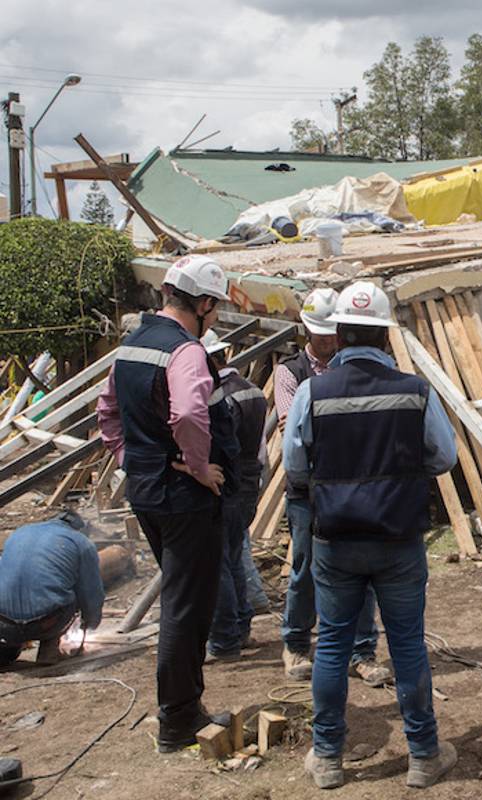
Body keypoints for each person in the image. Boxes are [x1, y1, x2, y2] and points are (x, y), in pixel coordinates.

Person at [283, 281, 458, 790]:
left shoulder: (312, 392)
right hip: (399, 539)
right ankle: (424, 755)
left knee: (333, 645)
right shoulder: (415, 390)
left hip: (335, 540)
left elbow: (295, 465)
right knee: (406, 644)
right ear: (386, 337)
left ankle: (327, 758)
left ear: (337, 334)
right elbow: (443, 457)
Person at [96, 254, 239, 753]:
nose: (215, 317)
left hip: (146, 491)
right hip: (183, 497)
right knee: (186, 605)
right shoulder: (186, 352)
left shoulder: (131, 347)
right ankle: (177, 720)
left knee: (182, 597)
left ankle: (185, 709)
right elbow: (188, 414)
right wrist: (199, 467)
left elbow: (107, 413)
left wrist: (132, 458)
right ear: (201, 303)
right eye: (215, 308)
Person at [275, 288, 388, 686]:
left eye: (331, 334)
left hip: (349, 489)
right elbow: (294, 431)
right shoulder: (291, 373)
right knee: (305, 568)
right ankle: (296, 644)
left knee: (360, 568)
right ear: (307, 330)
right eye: (319, 334)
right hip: (308, 493)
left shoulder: (352, 373)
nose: (326, 341)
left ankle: (362, 652)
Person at [202, 331, 268, 661]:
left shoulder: (220, 397)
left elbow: (219, 446)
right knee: (234, 555)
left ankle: (226, 638)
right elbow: (261, 450)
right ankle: (241, 628)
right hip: (249, 483)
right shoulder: (253, 390)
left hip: (226, 484)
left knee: (219, 563)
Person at [0, 511, 104, 667]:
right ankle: (49, 648)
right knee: (73, 590)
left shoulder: (19, 533)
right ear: (78, 528)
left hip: (4, 623)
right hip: (47, 623)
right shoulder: (81, 542)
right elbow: (91, 592)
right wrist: (90, 622)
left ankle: (8, 647)